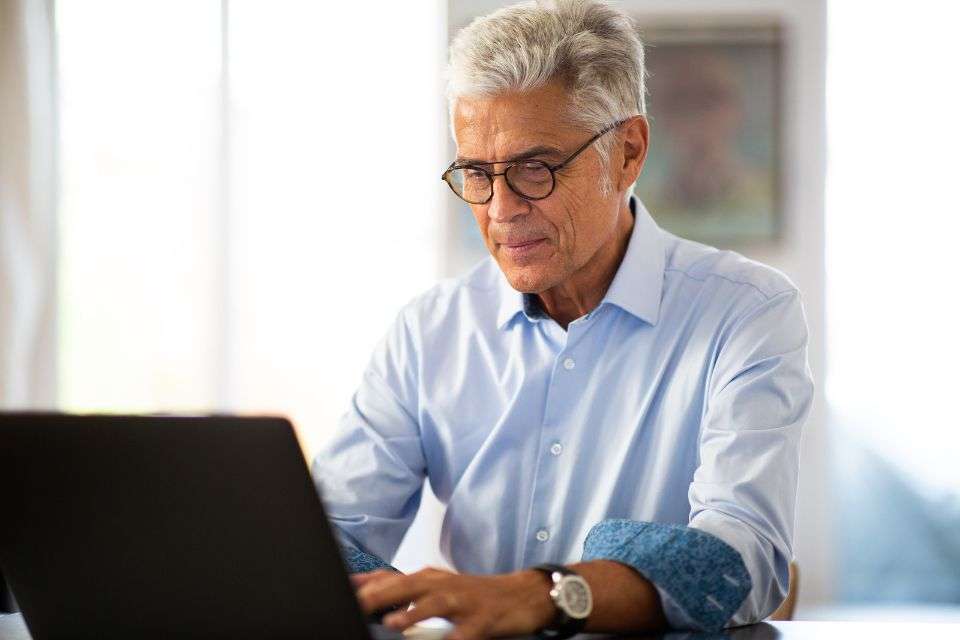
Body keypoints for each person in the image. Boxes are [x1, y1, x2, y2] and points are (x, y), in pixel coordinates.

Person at [312, 1, 814, 638]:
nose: (500, 210)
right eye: (475, 173)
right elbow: (325, 537)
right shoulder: (427, 332)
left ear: (627, 153)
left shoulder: (746, 312)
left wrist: (544, 595)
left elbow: (741, 558)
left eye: (534, 168)